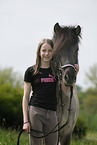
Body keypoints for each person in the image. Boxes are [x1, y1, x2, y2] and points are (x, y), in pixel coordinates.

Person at [22, 39, 79, 145]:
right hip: (36, 112)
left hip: (52, 114)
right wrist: (26, 121)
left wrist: (75, 75)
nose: (46, 54)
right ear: (39, 52)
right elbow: (25, 98)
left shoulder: (57, 72)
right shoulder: (30, 71)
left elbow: (66, 90)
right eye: (44, 50)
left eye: (50, 51)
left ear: (54, 52)